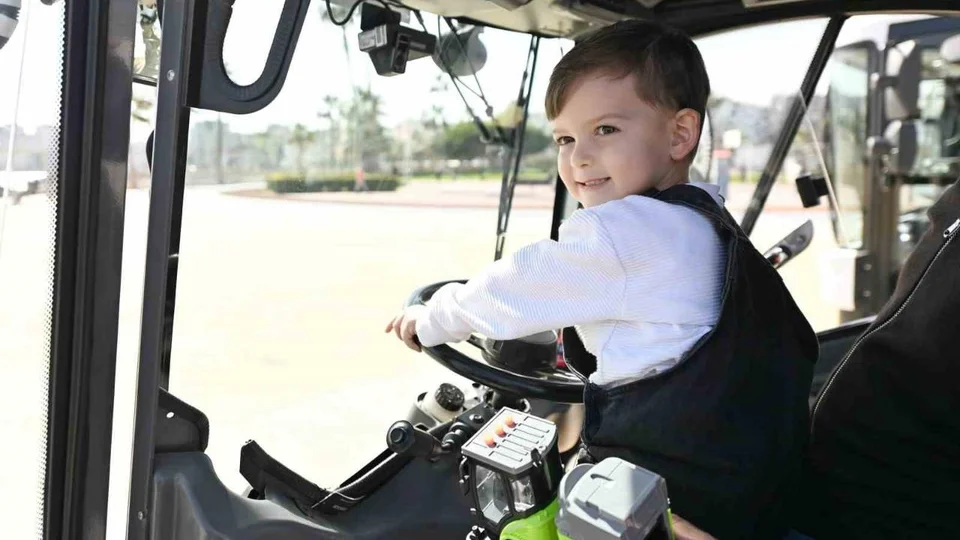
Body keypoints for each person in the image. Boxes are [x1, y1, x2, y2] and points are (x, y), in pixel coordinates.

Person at [386, 20, 817, 538]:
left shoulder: (625, 232)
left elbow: (517, 286)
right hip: (746, 492)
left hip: (666, 501)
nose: (579, 157)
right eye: (565, 138)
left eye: (606, 130)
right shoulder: (702, 220)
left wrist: (433, 317)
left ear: (680, 134)